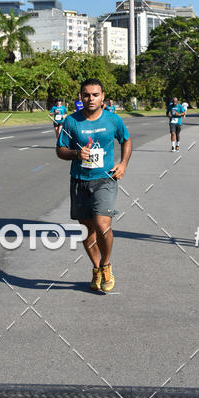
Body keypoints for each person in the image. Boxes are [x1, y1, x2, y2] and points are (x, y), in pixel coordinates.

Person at [56, 79, 132, 293]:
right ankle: (97, 268)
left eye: (95, 94)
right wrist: (75, 153)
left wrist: (123, 164)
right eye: (86, 95)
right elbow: (60, 150)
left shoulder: (113, 120)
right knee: (88, 229)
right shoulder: (72, 122)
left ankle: (106, 265)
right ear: (81, 97)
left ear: (103, 96)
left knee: (102, 224)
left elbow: (126, 140)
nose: (91, 99)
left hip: (105, 179)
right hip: (80, 181)